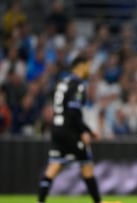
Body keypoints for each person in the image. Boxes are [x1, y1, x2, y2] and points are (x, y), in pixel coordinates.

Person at [37, 57, 105, 203]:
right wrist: (85, 132)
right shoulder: (78, 84)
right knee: (86, 165)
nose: (89, 70)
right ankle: (98, 201)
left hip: (57, 129)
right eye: (88, 65)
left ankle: (40, 201)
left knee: (54, 166)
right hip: (71, 131)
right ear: (80, 66)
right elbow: (74, 112)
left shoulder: (62, 83)